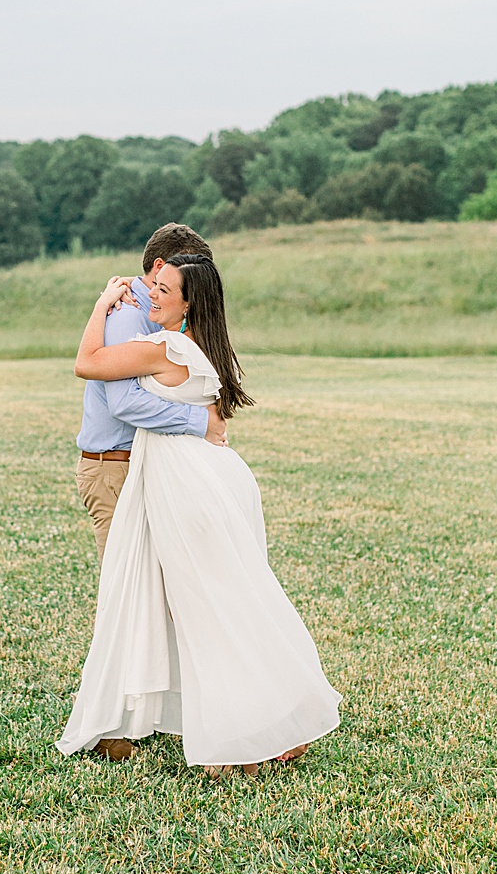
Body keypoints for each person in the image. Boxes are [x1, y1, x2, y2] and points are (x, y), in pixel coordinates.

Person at [56, 253, 341, 777]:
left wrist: (100, 304)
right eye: (152, 285)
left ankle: (238, 738)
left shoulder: (162, 345)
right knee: (227, 603)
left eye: (163, 288)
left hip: (185, 490)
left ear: (189, 302)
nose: (150, 295)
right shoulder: (199, 349)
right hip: (209, 480)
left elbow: (88, 363)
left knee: (201, 610)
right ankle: (260, 722)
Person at [73, 224, 228, 571]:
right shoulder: (128, 316)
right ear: (161, 267)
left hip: (148, 465)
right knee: (127, 589)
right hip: (116, 467)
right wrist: (201, 422)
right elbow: (124, 401)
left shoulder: (168, 321)